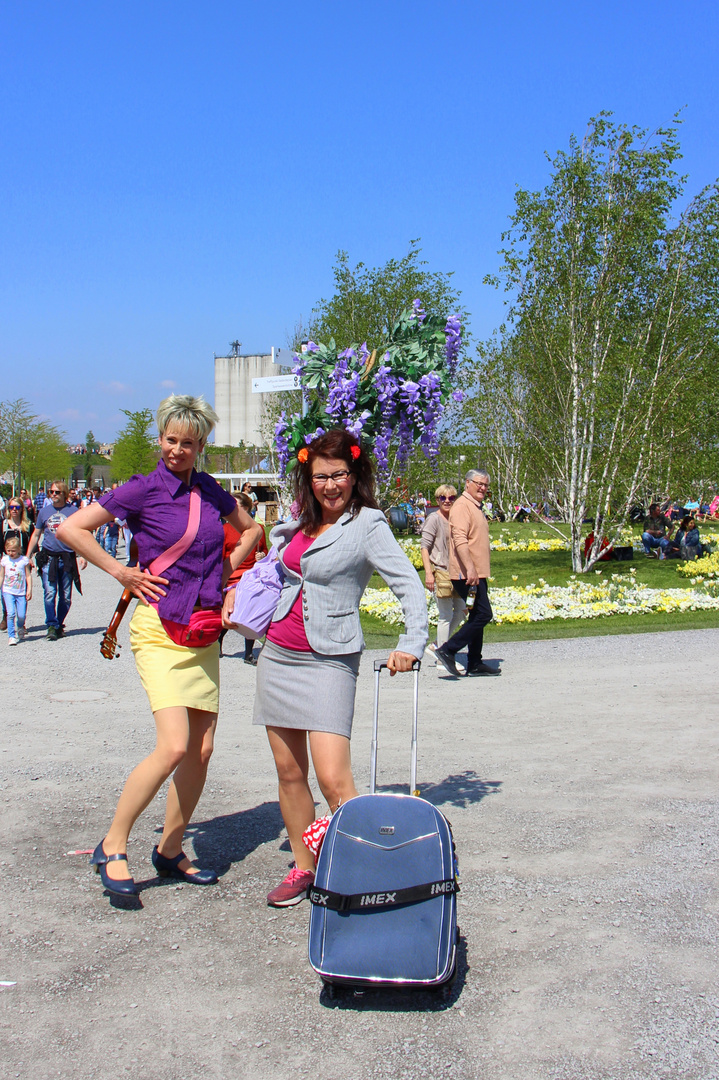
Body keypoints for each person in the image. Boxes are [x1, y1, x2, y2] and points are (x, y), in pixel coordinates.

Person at [57, 394, 263, 897]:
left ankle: (170, 849)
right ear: (160, 439)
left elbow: (254, 529)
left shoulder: (212, 490)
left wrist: (227, 574)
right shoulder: (141, 489)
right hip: (158, 625)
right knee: (173, 745)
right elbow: (69, 528)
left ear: (200, 445)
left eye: (187, 443)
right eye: (171, 440)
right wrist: (121, 572)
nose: (177, 450)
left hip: (202, 628)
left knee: (202, 750)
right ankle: (114, 842)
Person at [230, 427, 427, 907]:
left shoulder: (369, 523)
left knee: (334, 777)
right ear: (308, 477)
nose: (331, 485)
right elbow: (277, 572)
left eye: (339, 474)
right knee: (288, 771)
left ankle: (364, 872)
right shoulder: (300, 523)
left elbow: (409, 586)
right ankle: (305, 867)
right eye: (321, 476)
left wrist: (412, 642)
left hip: (329, 661)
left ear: (355, 473)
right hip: (277, 654)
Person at [435, 469, 500, 678]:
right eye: (478, 483)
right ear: (467, 483)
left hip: (477, 573)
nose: (482, 488)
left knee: (474, 614)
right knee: (483, 614)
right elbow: (460, 540)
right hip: (467, 576)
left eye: (485, 485)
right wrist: (470, 569)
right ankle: (448, 650)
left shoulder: (475, 507)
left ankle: (474, 662)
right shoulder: (463, 506)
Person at [26, 482, 87, 640]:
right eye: (51, 491)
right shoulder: (44, 512)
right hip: (49, 558)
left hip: (67, 557)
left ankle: (59, 623)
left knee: (66, 596)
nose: (53, 494)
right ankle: (51, 625)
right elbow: (36, 534)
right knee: (50, 593)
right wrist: (28, 556)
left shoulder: (73, 512)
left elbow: (82, 535)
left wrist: (83, 556)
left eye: (57, 492)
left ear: (64, 494)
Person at [220, 492, 268, 664]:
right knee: (230, 612)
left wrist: (262, 556)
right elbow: (219, 555)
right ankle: (219, 641)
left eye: (237, 507)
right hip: (231, 576)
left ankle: (248, 653)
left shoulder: (258, 529)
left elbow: (265, 553)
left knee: (250, 612)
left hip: (251, 576)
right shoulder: (224, 530)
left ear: (247, 509)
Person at [420, 484, 466, 658]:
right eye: (443, 498)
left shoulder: (456, 518)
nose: (447, 501)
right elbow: (425, 547)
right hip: (441, 571)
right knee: (445, 614)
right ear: (437, 500)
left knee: (462, 611)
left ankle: (438, 645)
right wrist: (428, 573)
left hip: (458, 572)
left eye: (451, 498)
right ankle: (443, 657)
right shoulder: (434, 519)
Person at [0, 497, 33, 631]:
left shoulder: (27, 525)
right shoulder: (3, 524)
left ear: (22, 509)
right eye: (12, 507)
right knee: (6, 588)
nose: (14, 510)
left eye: (17, 507)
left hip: (22, 561)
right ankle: (6, 614)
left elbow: (32, 542)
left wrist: (30, 557)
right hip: (7, 561)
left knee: (22, 589)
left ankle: (21, 619)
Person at [0, 536, 32, 645]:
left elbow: (28, 576)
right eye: (8, 550)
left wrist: (29, 589)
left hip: (20, 592)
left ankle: (20, 626)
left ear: (19, 549)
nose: (11, 553)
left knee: (21, 615)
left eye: (13, 551)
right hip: (8, 591)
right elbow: (1, 576)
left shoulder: (23, 560)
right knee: (10, 613)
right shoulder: (5, 560)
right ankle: (11, 636)